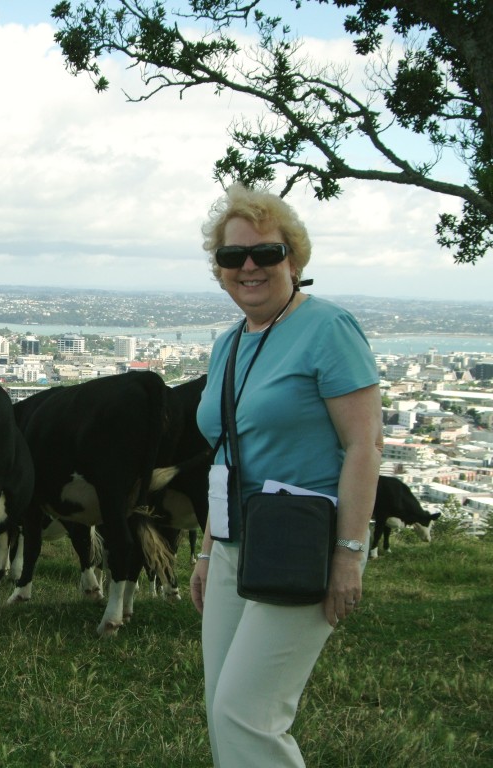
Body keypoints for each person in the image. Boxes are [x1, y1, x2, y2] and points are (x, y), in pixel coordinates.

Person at [189, 183, 383, 767]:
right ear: (220, 271)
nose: (249, 267)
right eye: (232, 257)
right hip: (233, 542)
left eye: (265, 254)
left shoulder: (329, 329)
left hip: (304, 543)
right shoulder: (229, 343)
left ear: (293, 260)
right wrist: (205, 551)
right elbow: (227, 451)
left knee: (247, 713)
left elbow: (364, 446)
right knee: (221, 707)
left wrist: (347, 554)